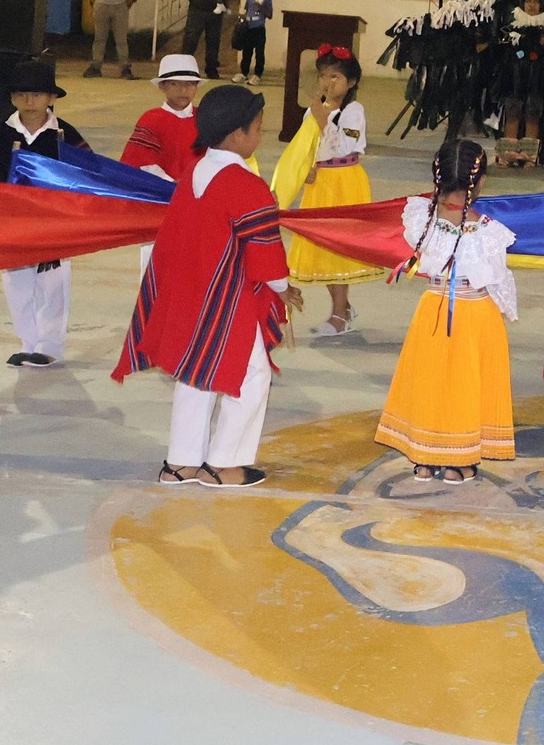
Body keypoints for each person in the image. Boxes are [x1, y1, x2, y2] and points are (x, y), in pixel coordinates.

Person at [114, 84, 297, 488]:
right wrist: (283, 288)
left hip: (189, 292)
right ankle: (225, 465)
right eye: (258, 128)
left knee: (195, 374)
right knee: (250, 374)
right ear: (236, 135)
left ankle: (180, 463)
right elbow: (265, 251)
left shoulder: (195, 172)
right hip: (228, 300)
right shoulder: (246, 184)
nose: (260, 135)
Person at [375, 139, 518, 483]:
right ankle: (458, 461)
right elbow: (497, 281)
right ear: (480, 181)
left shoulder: (422, 220)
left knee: (432, 381)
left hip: (433, 308)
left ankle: (424, 458)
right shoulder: (490, 233)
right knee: (464, 386)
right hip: (475, 315)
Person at [0, 59, 88, 368]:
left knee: (53, 284)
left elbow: (86, 175)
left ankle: (49, 345)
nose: (29, 101)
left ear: (52, 98)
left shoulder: (65, 135)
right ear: (12, 98)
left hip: (53, 225)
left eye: (37, 94)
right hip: (12, 223)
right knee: (17, 283)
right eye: (21, 94)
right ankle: (27, 342)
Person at [280, 45, 375, 337]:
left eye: (336, 77)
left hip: (345, 182)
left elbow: (346, 146)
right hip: (321, 183)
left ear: (351, 82)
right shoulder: (315, 110)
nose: (327, 83)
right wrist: (307, 167)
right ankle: (341, 309)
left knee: (338, 247)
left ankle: (340, 313)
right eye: (323, 76)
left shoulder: (353, 111)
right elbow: (308, 146)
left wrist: (324, 122)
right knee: (322, 246)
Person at [123, 55, 204, 184]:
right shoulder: (151, 120)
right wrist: (169, 183)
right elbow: (141, 161)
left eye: (189, 84)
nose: (183, 90)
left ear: (197, 86)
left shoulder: (205, 118)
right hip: (160, 189)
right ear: (162, 86)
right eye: (174, 84)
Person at [232, 0, 273, 84]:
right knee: (247, 52)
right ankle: (244, 73)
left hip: (259, 29)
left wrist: (261, 7)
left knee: (259, 53)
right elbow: (247, 11)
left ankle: (257, 74)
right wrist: (242, 17)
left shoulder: (267, 0)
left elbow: (270, 15)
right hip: (248, 28)